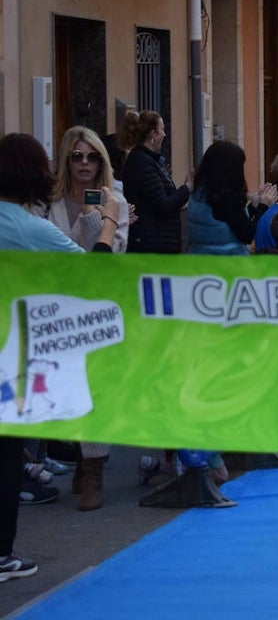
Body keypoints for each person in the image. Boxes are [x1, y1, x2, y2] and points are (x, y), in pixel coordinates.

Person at [0, 133, 124, 574]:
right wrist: (107, 222)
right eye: (74, 157)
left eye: (91, 157)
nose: (82, 164)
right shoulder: (27, 224)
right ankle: (2, 552)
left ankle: (87, 469)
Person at [47, 126, 131, 254]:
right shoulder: (49, 201)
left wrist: (91, 217)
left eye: (92, 157)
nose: (85, 162)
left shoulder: (115, 202)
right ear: (67, 161)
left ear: (100, 163)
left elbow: (114, 254)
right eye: (77, 156)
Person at [119, 110, 191, 253]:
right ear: (153, 134)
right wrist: (187, 189)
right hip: (152, 243)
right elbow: (163, 204)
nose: (164, 134)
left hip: (156, 240)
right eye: (162, 129)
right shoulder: (143, 162)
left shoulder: (148, 161)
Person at [188, 141, 276, 255]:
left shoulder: (200, 191)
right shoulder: (226, 197)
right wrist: (263, 207)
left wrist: (253, 207)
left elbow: (231, 221)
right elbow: (247, 235)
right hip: (226, 263)